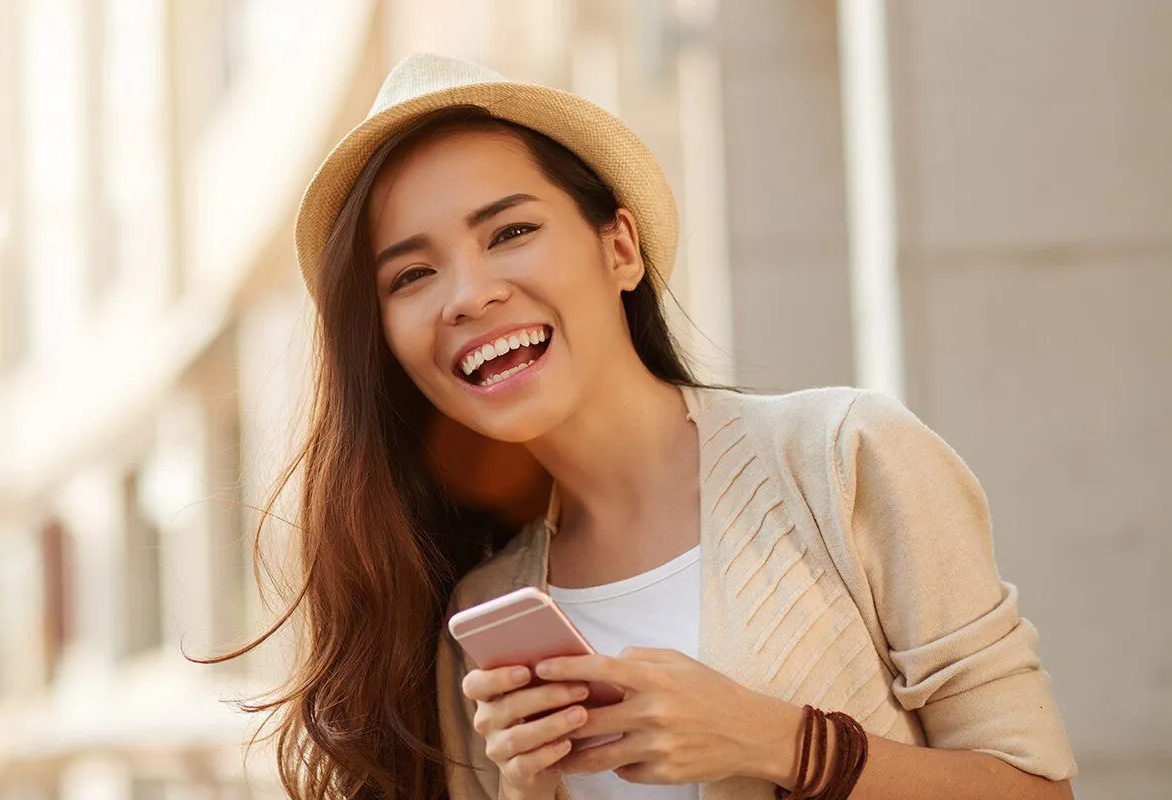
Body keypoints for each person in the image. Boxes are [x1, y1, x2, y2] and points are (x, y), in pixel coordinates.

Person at [213, 54, 1076, 800]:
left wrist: (778, 741)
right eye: (409, 275)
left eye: (509, 231)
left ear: (619, 247)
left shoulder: (846, 459)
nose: (467, 295)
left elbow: (1040, 787)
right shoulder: (476, 615)